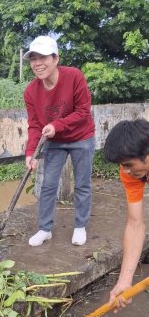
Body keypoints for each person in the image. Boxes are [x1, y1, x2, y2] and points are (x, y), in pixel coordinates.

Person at [23, 35, 95, 247]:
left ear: (55, 58)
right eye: (33, 58)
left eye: (43, 57)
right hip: (54, 141)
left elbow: (83, 111)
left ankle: (80, 226)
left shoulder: (74, 76)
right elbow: (35, 125)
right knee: (48, 185)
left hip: (82, 137)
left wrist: (57, 125)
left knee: (82, 184)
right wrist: (30, 153)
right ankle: (45, 229)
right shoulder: (30, 91)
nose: (37, 63)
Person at [104, 118, 149, 317]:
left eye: (129, 164)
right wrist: (124, 281)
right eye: (122, 165)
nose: (126, 171)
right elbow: (135, 223)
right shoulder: (129, 172)